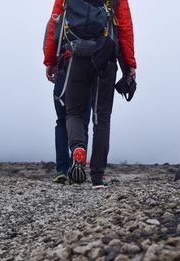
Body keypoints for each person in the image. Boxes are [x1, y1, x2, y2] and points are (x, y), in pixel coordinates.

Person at [44, 0, 137, 189]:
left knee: (73, 112)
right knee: (101, 117)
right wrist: (129, 65)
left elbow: (55, 24)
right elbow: (125, 30)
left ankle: (78, 147)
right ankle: (97, 176)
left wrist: (50, 60)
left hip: (76, 56)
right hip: (105, 57)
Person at [51, 66, 91, 184]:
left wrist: (49, 66)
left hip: (62, 74)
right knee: (82, 123)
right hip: (86, 76)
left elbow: (49, 48)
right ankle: (78, 166)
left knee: (62, 122)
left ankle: (62, 169)